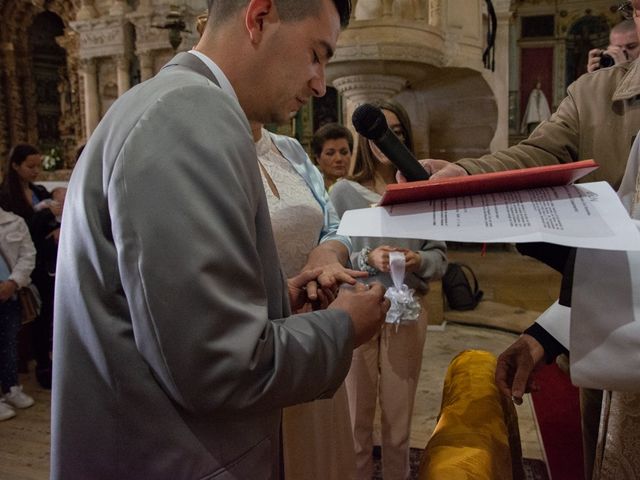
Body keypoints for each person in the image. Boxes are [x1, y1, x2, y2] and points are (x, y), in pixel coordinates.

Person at [51, 1, 391, 479]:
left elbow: (165, 312)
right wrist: (343, 328)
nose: (320, 83)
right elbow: (217, 366)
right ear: (260, 16)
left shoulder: (178, 105)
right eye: (317, 53)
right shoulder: (186, 115)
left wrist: (276, 301)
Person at [331, 100, 448, 480]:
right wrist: (369, 258)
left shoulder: (422, 190)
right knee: (354, 421)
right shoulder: (343, 193)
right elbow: (333, 256)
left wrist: (418, 261)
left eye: (397, 132)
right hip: (356, 310)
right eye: (380, 131)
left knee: (399, 425)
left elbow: (440, 258)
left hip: (407, 312)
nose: (387, 139)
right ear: (365, 139)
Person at [0, 144, 60, 389]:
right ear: (15, 165)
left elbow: (42, 226)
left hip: (43, 260)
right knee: (29, 319)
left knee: (46, 313)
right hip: (19, 265)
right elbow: (22, 229)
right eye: (30, 166)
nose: (36, 171)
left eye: (39, 166)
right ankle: (35, 370)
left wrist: (54, 226)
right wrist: (46, 217)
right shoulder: (5, 196)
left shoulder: (38, 190)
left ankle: (47, 361)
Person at [0, 206, 37, 421]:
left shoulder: (14, 221)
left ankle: (11, 387)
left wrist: (13, 282)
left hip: (10, 293)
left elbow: (27, 254)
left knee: (9, 342)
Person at [311, 122, 353, 189]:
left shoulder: (361, 190)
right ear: (318, 158)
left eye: (344, 152)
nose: (339, 159)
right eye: (330, 153)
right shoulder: (311, 191)